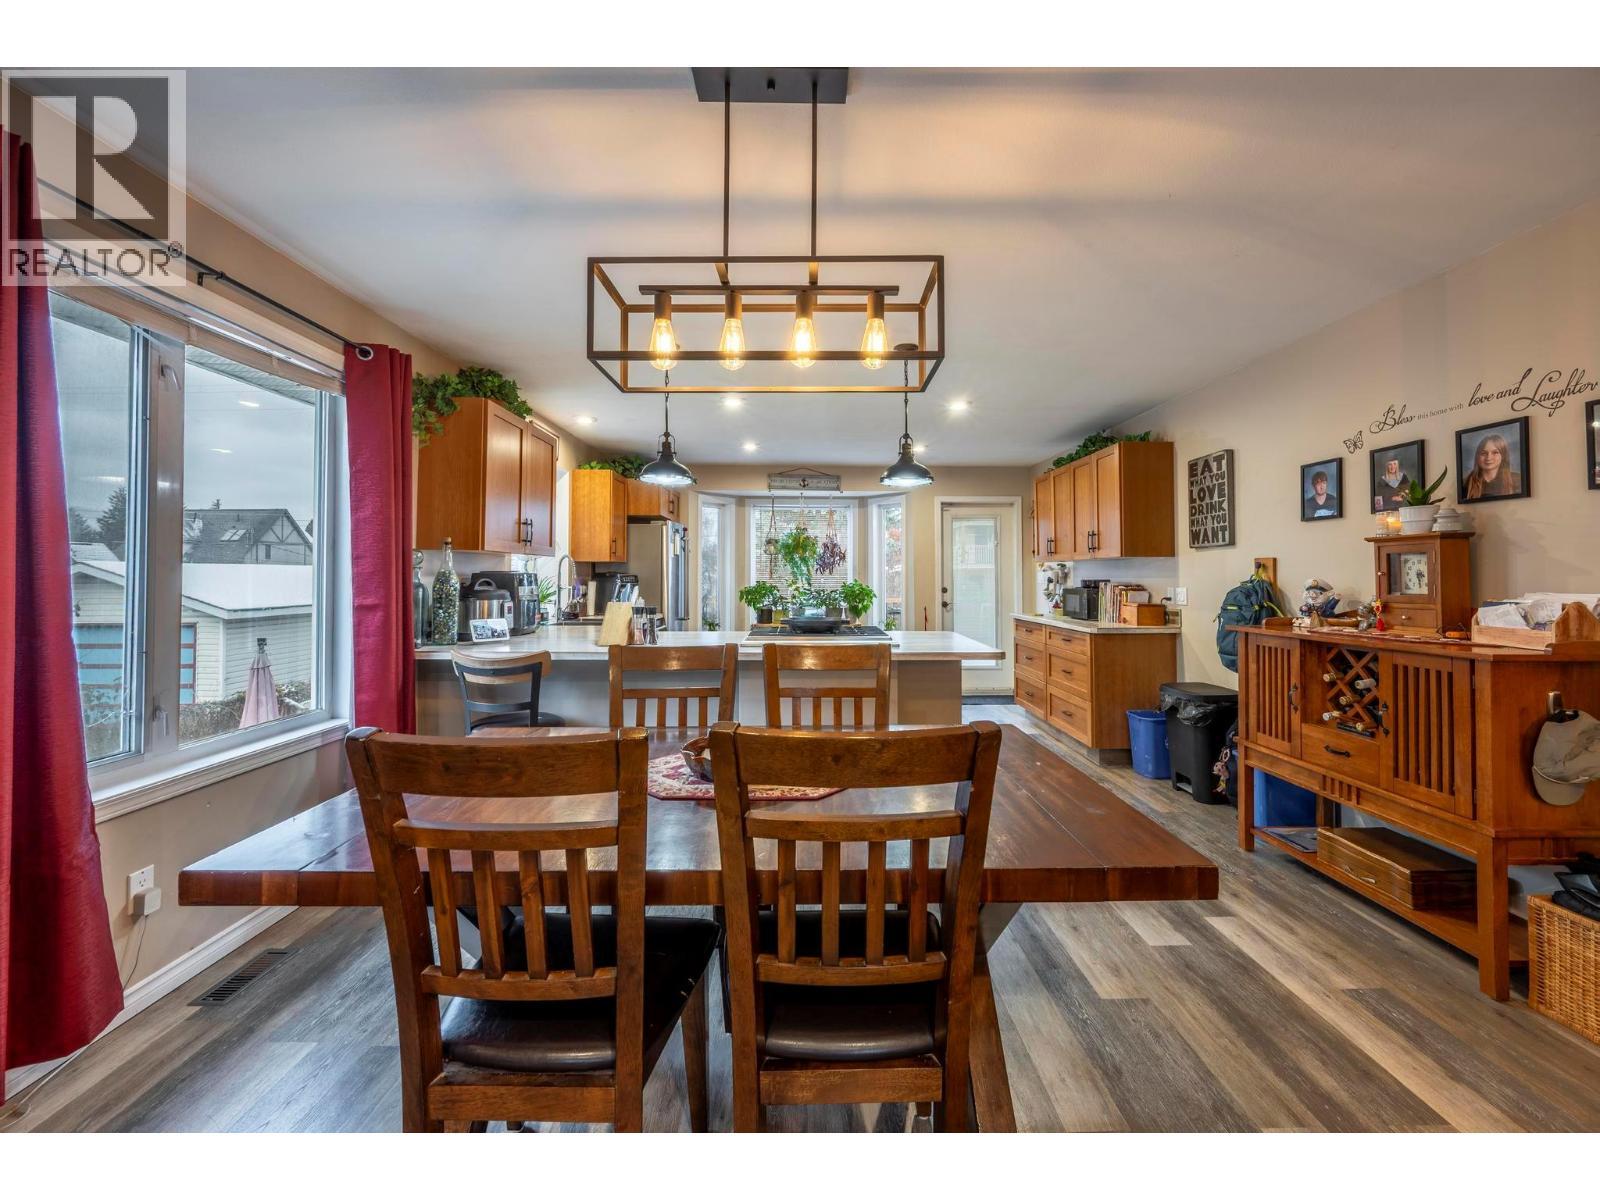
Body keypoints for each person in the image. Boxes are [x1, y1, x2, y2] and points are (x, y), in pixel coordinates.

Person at [1463, 432, 1522, 500]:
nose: (1488, 457)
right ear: (1477, 457)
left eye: (1495, 452)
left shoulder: (1518, 480)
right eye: (1483, 453)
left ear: (1503, 456)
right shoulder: (1465, 483)